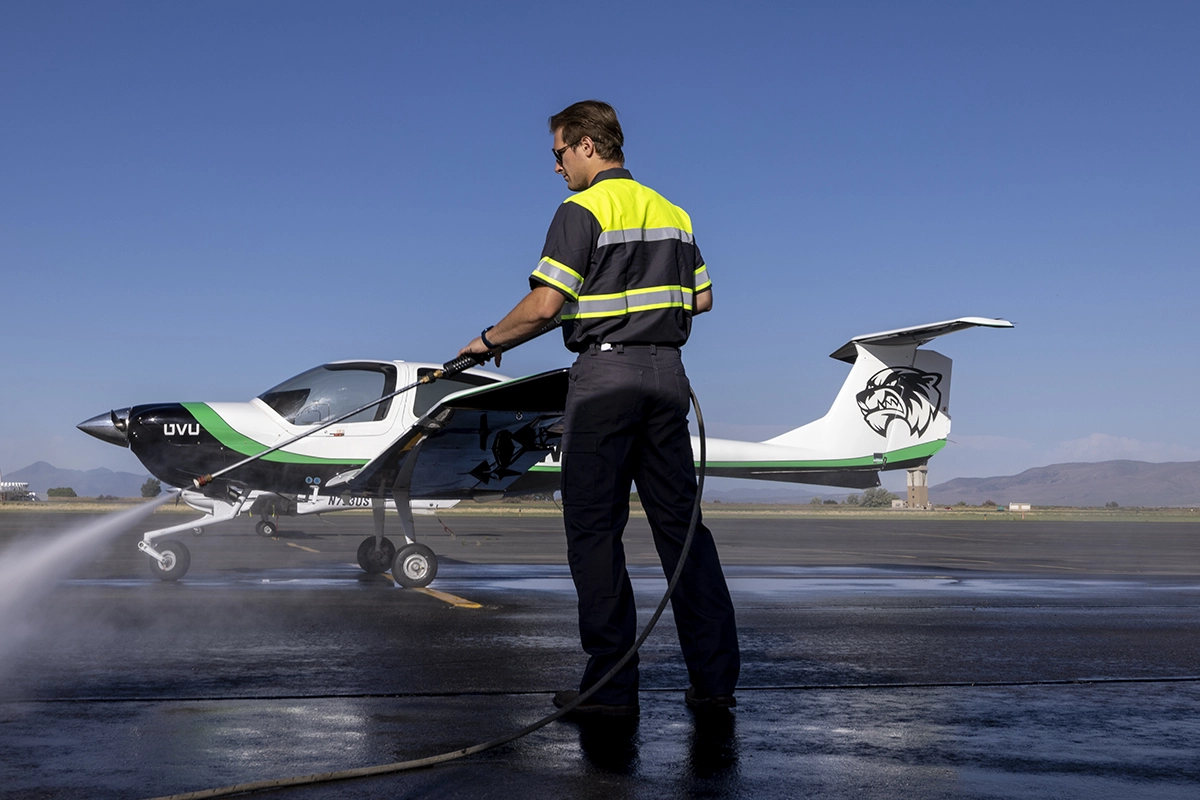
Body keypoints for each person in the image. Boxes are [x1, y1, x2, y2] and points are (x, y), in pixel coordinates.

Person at [459, 100, 739, 716]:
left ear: (587, 146)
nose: (556, 168)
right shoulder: (674, 212)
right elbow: (706, 298)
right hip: (668, 377)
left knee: (594, 531)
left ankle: (611, 687)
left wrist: (482, 344)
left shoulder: (581, 210)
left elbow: (544, 306)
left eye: (558, 153)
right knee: (682, 531)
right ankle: (715, 680)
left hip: (606, 379)